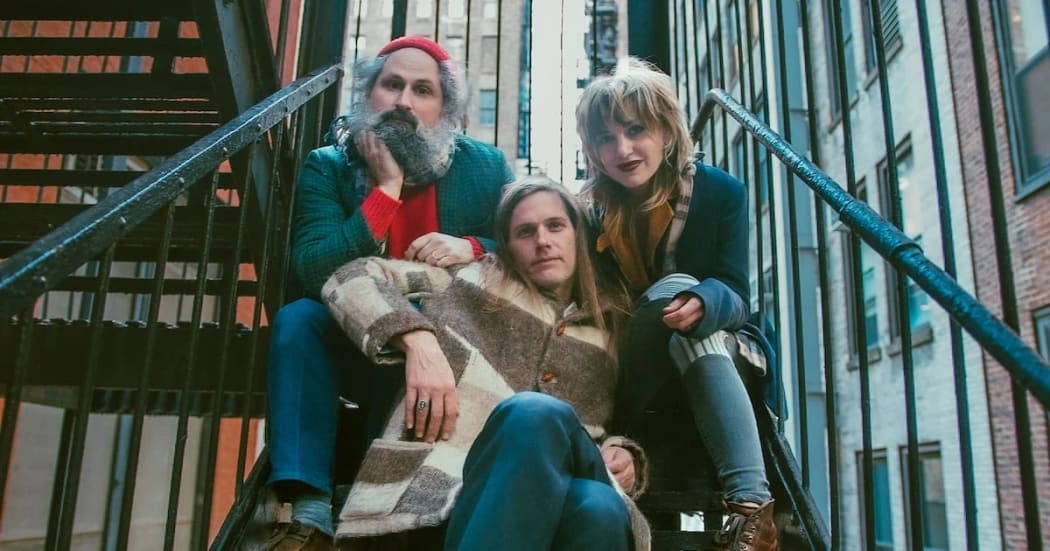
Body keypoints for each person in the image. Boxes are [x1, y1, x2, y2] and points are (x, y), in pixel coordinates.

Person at [265, 35, 514, 551]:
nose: (403, 101)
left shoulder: (485, 168)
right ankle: (308, 505)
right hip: (359, 344)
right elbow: (313, 268)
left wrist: (472, 245)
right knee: (297, 319)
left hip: (450, 358)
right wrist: (384, 192)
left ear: (444, 109)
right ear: (368, 94)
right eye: (392, 84)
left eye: (422, 90)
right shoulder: (327, 166)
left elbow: (522, 255)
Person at [321, 177, 650, 550]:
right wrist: (418, 342)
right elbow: (348, 278)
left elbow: (617, 422)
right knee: (598, 507)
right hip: (452, 486)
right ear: (507, 246)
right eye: (525, 231)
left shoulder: (613, 326)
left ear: (578, 235)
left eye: (555, 226)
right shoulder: (467, 282)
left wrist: (623, 451)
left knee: (538, 416)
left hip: (572, 466)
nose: (542, 241)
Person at [575, 57, 778, 551]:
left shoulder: (720, 192)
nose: (622, 149)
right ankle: (754, 506)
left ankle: (752, 514)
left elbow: (736, 293)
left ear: (667, 131)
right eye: (605, 138)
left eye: (635, 129)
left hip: (707, 351)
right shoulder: (588, 211)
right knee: (676, 287)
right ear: (593, 151)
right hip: (632, 359)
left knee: (694, 317)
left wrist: (703, 301)